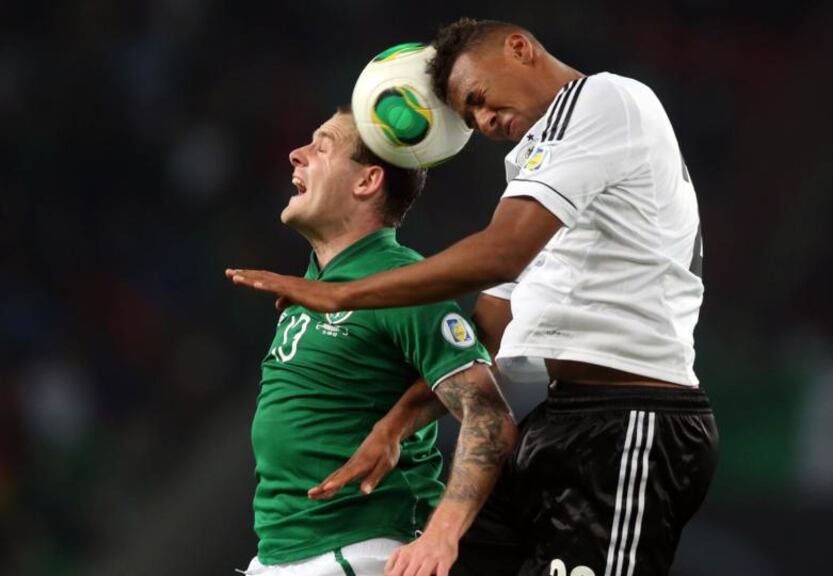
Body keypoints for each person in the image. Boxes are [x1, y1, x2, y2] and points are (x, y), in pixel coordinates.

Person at [227, 18, 718, 576]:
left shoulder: (606, 99)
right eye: (469, 117)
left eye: (479, 99)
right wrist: (396, 424)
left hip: (627, 423)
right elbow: (488, 331)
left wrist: (344, 293)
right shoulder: (538, 172)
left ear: (520, 48)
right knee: (429, 561)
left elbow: (501, 253)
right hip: (546, 420)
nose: (484, 122)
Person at [234, 108, 516, 576]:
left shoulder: (401, 283)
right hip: (283, 555)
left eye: (321, 147)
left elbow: (489, 413)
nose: (295, 155)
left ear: (366, 181)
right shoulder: (312, 287)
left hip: (357, 552)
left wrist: (441, 535)